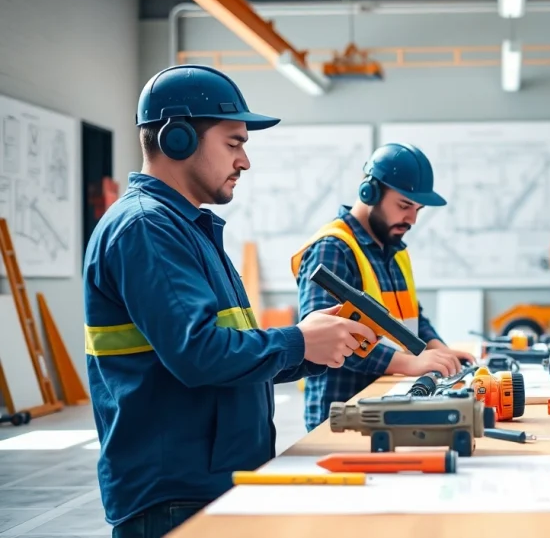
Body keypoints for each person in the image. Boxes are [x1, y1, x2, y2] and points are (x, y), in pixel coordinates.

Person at [83, 64, 377, 538]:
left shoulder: (186, 229)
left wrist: (316, 347)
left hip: (209, 481)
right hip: (176, 495)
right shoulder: (147, 228)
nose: (245, 161)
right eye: (234, 143)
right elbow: (199, 355)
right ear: (177, 138)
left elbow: (228, 353)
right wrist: (298, 342)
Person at [291, 142, 476, 432]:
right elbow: (326, 338)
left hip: (389, 399)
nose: (412, 220)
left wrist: (439, 349)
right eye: (404, 206)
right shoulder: (333, 249)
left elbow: (412, 317)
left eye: (418, 209)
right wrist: (409, 364)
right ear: (370, 193)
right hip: (343, 412)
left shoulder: (394, 249)